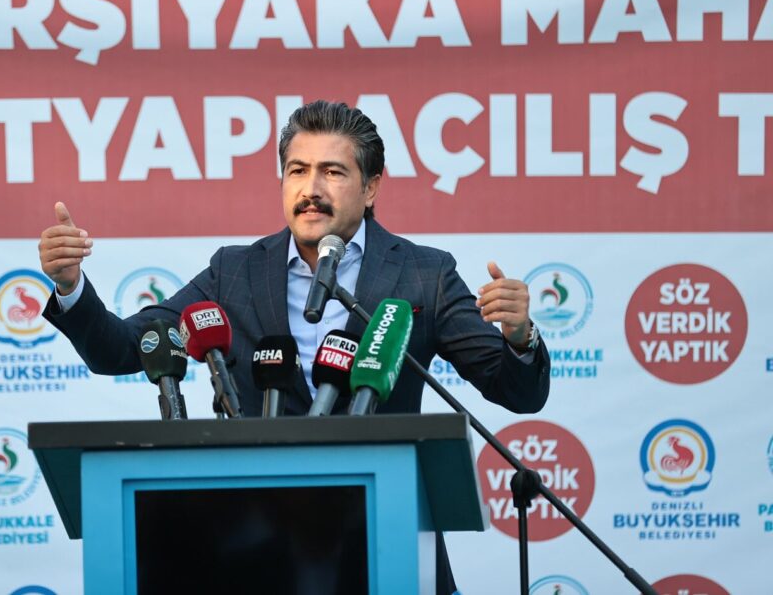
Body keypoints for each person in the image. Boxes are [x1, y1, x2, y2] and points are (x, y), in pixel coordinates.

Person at [38, 100, 550, 593]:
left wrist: (519, 337)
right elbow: (124, 348)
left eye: (333, 172)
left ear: (371, 186)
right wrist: (70, 287)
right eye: (297, 170)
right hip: (259, 555)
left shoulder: (424, 274)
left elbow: (517, 391)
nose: (311, 189)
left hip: (385, 542)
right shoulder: (234, 272)